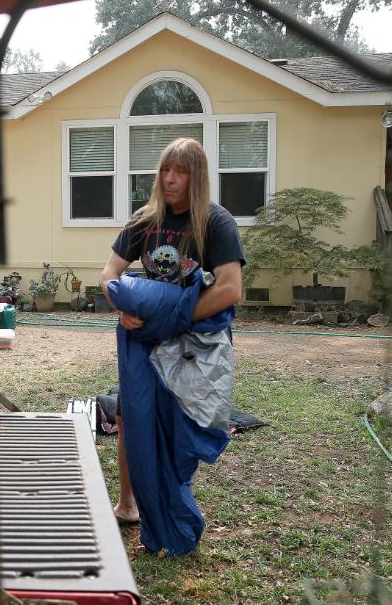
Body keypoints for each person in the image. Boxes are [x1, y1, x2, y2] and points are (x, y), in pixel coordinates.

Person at [100, 137, 245, 549]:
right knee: (131, 414)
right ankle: (129, 504)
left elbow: (231, 289)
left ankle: (171, 502)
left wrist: (173, 318)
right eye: (165, 170)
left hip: (194, 343)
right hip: (146, 337)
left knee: (181, 420)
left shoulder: (216, 222)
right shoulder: (144, 219)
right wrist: (120, 306)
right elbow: (109, 272)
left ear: (196, 176)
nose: (169, 179)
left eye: (179, 171)